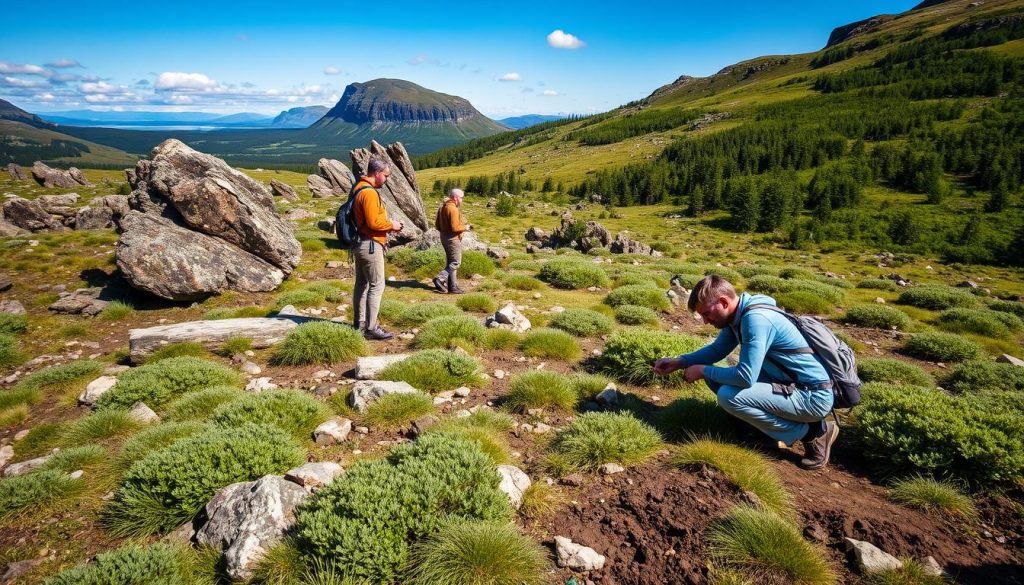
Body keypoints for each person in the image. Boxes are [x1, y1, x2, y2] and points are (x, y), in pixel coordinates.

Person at [653, 275, 839, 469]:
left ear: (724, 302)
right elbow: (717, 350)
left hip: (813, 397)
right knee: (719, 379)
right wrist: (680, 362)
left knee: (729, 396)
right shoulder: (738, 316)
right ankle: (764, 432)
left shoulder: (756, 320)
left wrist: (703, 371)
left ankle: (813, 434)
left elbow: (745, 377)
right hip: (790, 384)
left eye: (707, 314)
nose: (705, 322)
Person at [351, 157, 404, 340]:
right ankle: (371, 328)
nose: (387, 180)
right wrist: (392, 225)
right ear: (377, 173)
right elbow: (374, 222)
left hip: (360, 243)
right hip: (371, 245)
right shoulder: (370, 193)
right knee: (377, 285)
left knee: (361, 284)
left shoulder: (358, 187)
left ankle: (360, 323)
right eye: (386, 176)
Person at [432, 188, 470, 294]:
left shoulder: (442, 207)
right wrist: (466, 227)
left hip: (444, 237)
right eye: (461, 198)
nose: (462, 200)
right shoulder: (453, 209)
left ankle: (453, 287)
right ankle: (440, 278)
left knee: (450, 262)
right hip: (453, 239)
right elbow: (455, 228)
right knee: (456, 262)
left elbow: (437, 225)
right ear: (455, 198)